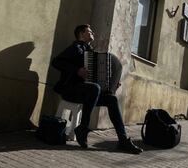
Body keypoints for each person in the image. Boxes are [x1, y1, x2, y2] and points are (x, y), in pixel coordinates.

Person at [52, 24, 143, 154]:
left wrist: (111, 84)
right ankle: (83, 127)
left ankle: (123, 140)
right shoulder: (75, 48)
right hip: (70, 90)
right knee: (94, 88)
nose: (92, 32)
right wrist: (76, 70)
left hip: (88, 94)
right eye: (89, 31)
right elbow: (56, 62)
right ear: (81, 34)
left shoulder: (91, 53)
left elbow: (97, 80)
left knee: (111, 98)